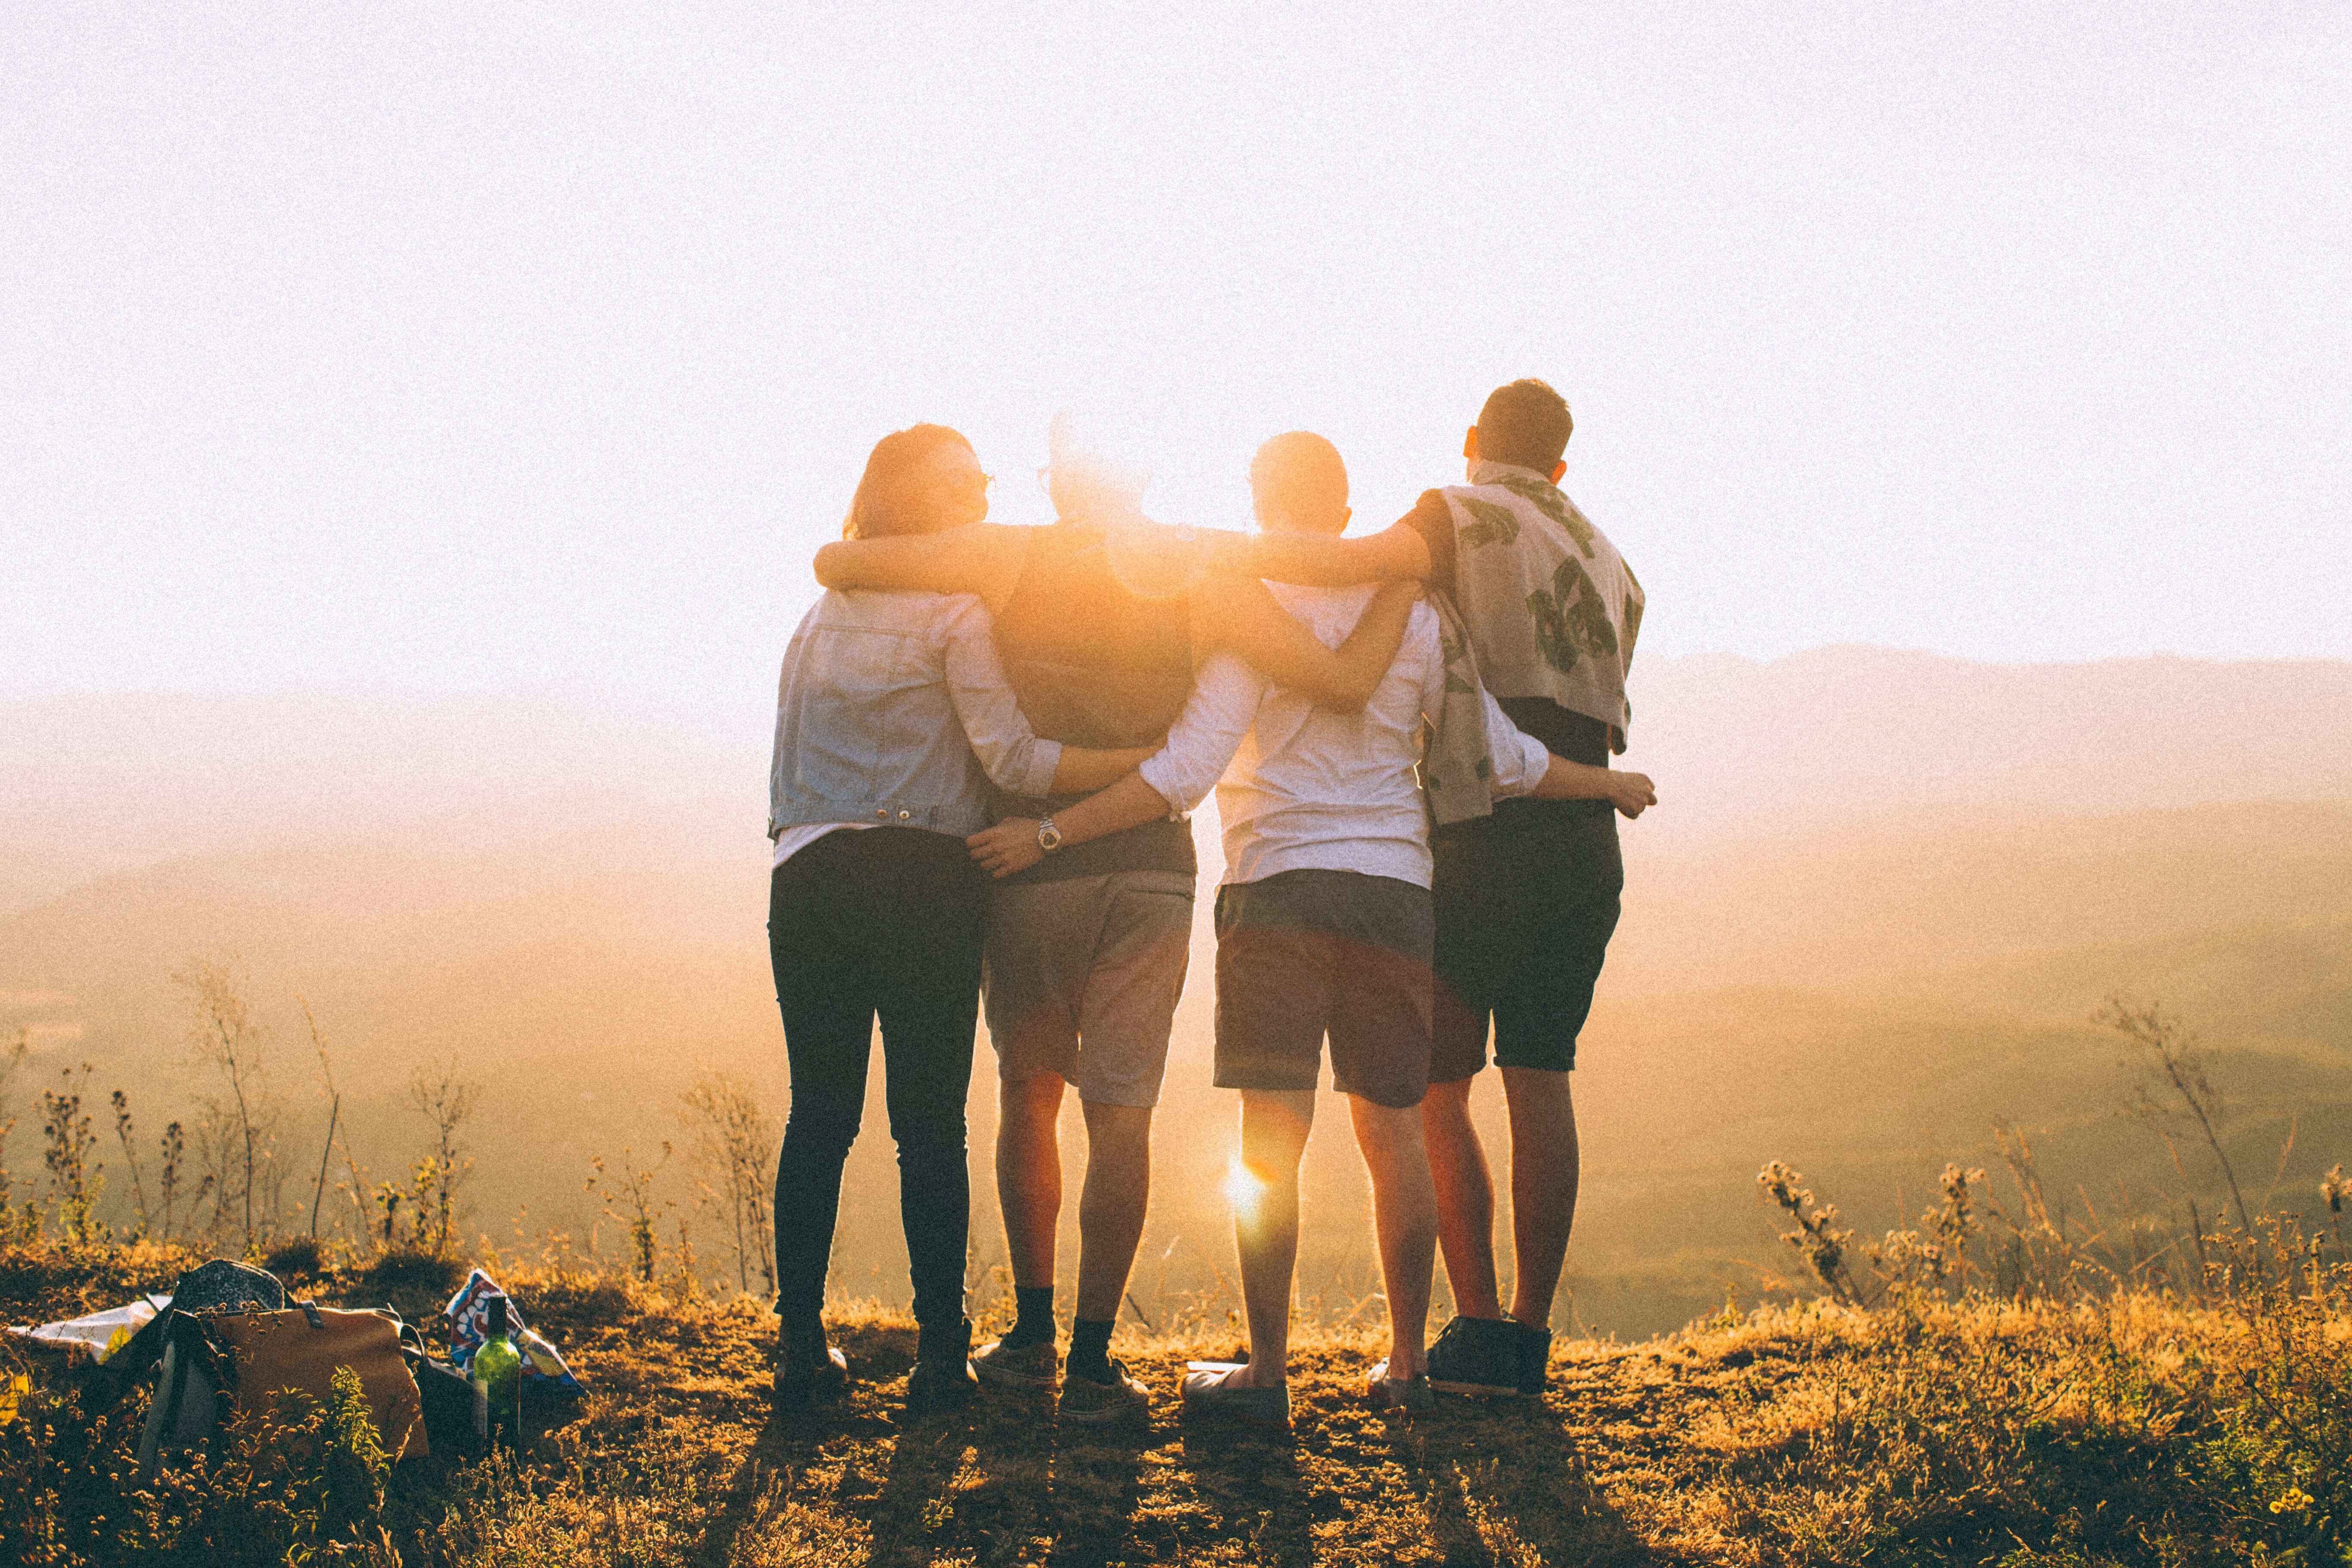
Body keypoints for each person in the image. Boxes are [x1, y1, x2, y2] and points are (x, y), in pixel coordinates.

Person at [967, 432, 1654, 1428]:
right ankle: (1409, 1367)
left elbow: (1185, 772)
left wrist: (1051, 831)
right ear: (1344, 512)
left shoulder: (1247, 610)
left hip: (1275, 889)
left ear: (1259, 501)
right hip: (1394, 895)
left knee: (1270, 1146)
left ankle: (1268, 1374)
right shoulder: (1417, 614)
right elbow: (1502, 757)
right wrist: (1607, 784)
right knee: (1395, 1136)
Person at [813, 415, 1417, 1424]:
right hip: (1151, 870)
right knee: (1122, 1114)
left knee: (1029, 1093)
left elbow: (848, 560)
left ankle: (1033, 1333)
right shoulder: (1198, 566)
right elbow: (1327, 656)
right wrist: (1404, 574)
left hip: (1027, 863)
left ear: (1057, 485)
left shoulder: (1007, 556)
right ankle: (1095, 1359)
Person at [1202, 381, 1649, 1396]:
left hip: (1479, 829)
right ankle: (1525, 1340)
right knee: (1543, 1077)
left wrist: (1201, 553)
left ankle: (1473, 1329)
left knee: (1431, 1094)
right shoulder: (1613, 559)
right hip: (1580, 835)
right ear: (1564, 466)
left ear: (1471, 442)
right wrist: (1610, 785)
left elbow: (1351, 566)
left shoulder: (1455, 514)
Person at [766, 423, 1162, 1412]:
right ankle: (942, 1354)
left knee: (819, 1114)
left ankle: (799, 1347)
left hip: (808, 874)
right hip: (925, 880)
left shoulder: (817, 618)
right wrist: (1144, 767)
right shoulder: (954, 614)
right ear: (923, 504)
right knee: (928, 1125)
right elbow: (1016, 764)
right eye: (967, 484)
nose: (985, 495)